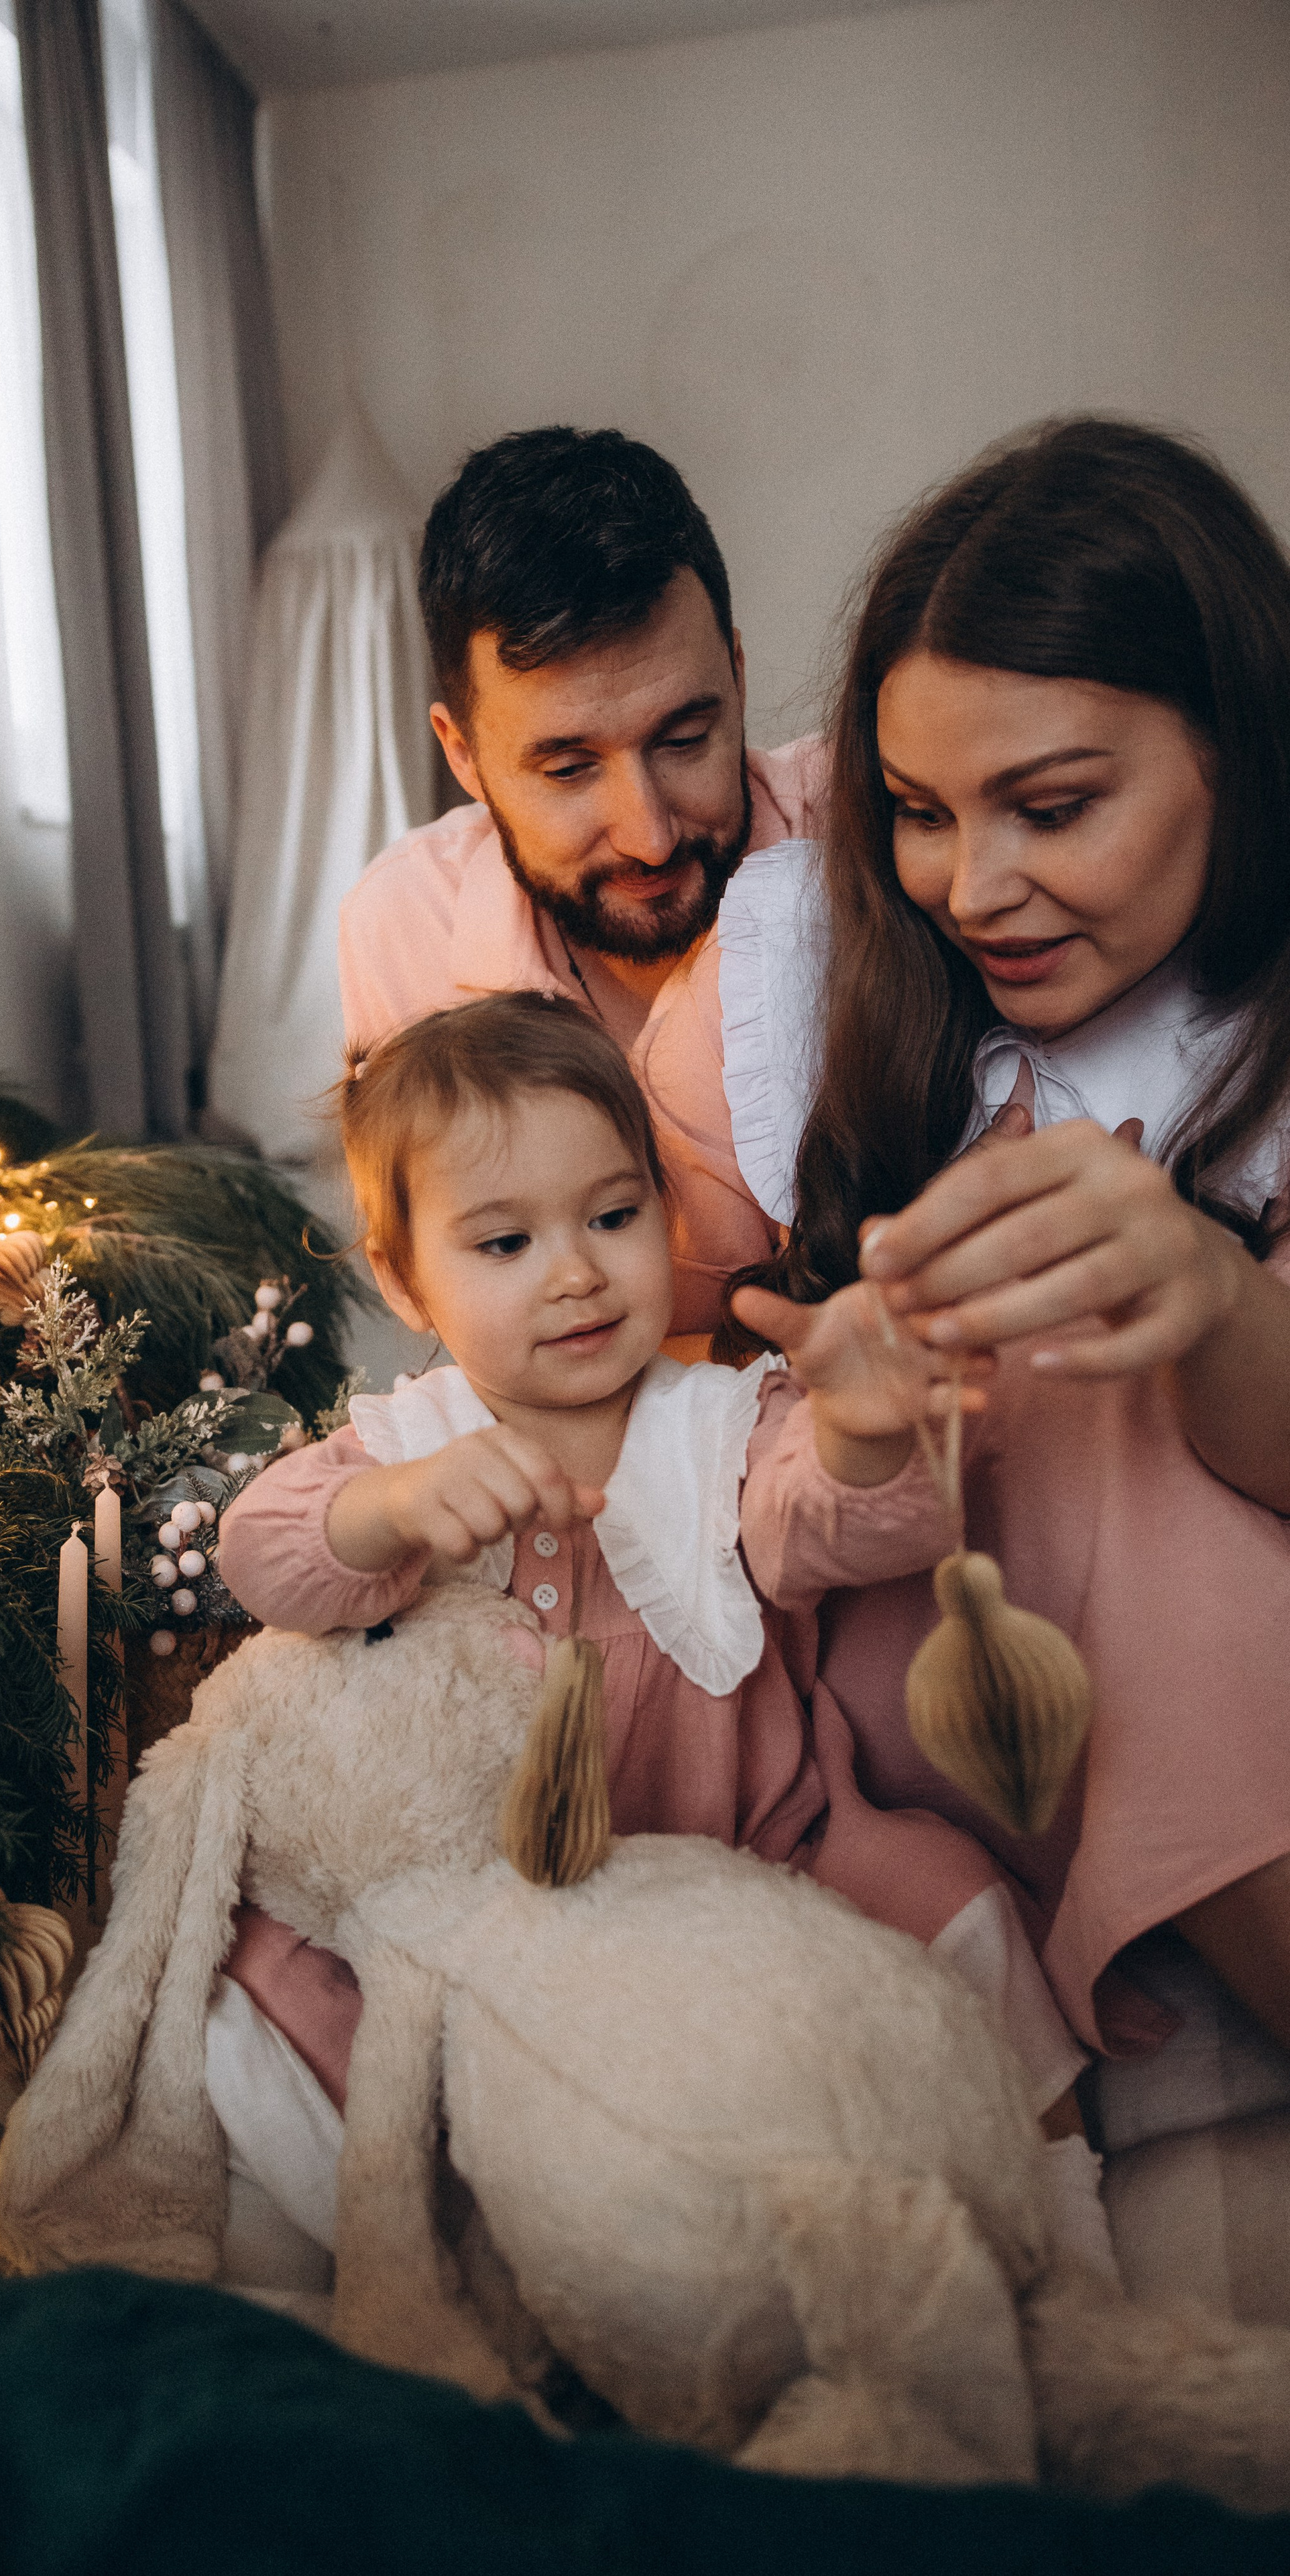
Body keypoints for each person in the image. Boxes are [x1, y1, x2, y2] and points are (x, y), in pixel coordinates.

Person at [636, 421, 1290, 2295]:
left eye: (1052, 805)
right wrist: (823, 1379)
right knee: (1095, 1413)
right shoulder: (793, 1001)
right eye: (918, 808)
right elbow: (636, 1365)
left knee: (1141, 1407)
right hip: (905, 1630)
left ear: (1237, 758)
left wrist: (1220, 1304)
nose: (969, 884)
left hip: (1180, 1614)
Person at [209, 994, 1112, 2286]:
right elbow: (264, 1552)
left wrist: (859, 1426)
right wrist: (388, 1511)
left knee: (957, 1902)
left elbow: (832, 1528)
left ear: (664, 1219)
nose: (575, 1272)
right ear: (405, 1277)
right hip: (489, 1885)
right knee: (277, 1990)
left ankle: (1061, 2223)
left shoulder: (722, 1420)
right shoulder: (413, 1439)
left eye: (615, 1218)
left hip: (756, 1839)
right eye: (506, 1241)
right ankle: (312, 2253)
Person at [337, 428, 823, 1335]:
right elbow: (453, 1292)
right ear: (463, 754)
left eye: (685, 740)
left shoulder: (868, 829)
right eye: (568, 769)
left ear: (739, 673)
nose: (649, 835)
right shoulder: (405, 923)